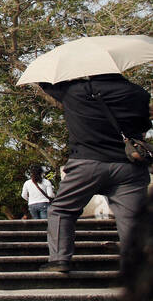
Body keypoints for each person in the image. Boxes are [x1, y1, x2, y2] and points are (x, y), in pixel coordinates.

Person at [40, 73, 152, 275]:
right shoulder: (138, 93)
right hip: (128, 165)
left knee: (62, 210)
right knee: (133, 219)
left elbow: (46, 83)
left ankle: (59, 259)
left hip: (86, 163)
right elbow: (145, 125)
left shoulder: (75, 91)